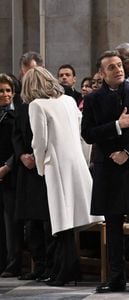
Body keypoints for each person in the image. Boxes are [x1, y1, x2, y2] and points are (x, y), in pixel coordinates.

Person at [81, 50, 129, 294]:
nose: (118, 69)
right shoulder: (93, 100)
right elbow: (88, 134)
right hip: (108, 169)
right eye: (111, 67)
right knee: (112, 227)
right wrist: (117, 125)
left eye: (119, 65)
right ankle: (116, 277)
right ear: (102, 74)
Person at [21, 66, 103, 286]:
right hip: (75, 161)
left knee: (61, 222)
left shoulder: (37, 105)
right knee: (68, 221)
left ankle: (65, 270)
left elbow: (39, 142)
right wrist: (84, 161)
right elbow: (82, 133)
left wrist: (40, 167)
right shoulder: (67, 100)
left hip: (55, 165)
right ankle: (67, 268)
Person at [13, 51, 52, 281]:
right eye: (25, 73)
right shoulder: (20, 100)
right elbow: (16, 134)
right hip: (26, 169)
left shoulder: (51, 98)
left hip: (44, 168)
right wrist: (21, 156)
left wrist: (37, 156)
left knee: (46, 221)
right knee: (30, 222)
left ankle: (50, 265)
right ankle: (38, 264)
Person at [0, 74, 23, 278]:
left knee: (11, 223)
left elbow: (20, 147)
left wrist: (6, 167)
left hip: (11, 175)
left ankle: (13, 262)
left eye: (8, 90)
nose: (5, 94)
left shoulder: (17, 116)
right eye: (1, 91)